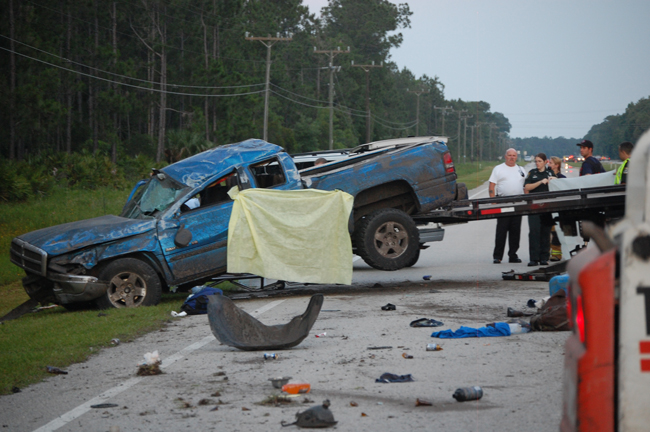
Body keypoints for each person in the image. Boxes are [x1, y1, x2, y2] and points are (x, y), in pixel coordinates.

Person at [488, 148, 526, 264]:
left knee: (515, 231)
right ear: (505, 156)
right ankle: (497, 256)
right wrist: (493, 202)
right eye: (509, 155)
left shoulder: (521, 169)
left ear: (516, 157)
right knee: (501, 230)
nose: (512, 157)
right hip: (502, 202)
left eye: (514, 155)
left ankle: (513, 255)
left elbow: (525, 187)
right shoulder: (498, 169)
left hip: (517, 203)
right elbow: (491, 186)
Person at [524, 153, 554, 266]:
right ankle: (534, 258)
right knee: (534, 232)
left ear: (545, 162)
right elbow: (527, 187)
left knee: (545, 232)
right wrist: (540, 182)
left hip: (547, 207)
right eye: (536, 161)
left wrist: (553, 179)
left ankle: (544, 258)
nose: (537, 163)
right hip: (534, 207)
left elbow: (559, 184)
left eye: (540, 161)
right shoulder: (532, 173)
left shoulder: (549, 172)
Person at [547, 156, 565, 261]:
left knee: (556, 232)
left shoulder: (562, 177)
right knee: (548, 231)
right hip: (549, 207)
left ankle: (557, 254)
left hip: (558, 208)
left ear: (556, 165)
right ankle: (547, 252)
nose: (548, 164)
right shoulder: (547, 176)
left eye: (551, 163)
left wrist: (557, 180)